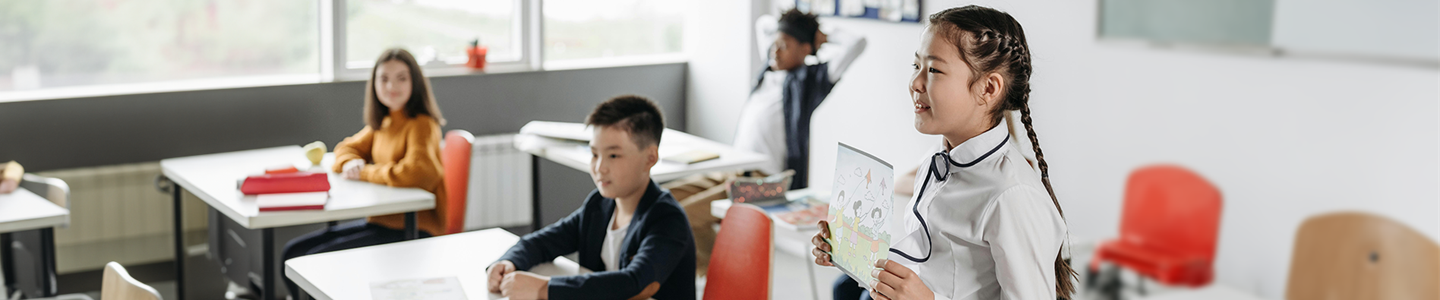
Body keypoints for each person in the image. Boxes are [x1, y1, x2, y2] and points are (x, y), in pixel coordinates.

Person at [811, 5, 1076, 300]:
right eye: (916, 66)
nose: (915, 83)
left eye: (934, 69)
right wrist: (848, 251)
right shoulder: (937, 160)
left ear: (989, 88)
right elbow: (930, 262)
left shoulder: (1011, 194)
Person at [487, 95, 696, 300]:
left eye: (613, 155)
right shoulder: (599, 205)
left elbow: (635, 283)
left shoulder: (667, 219)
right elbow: (543, 242)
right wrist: (509, 262)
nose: (599, 168)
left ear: (650, 157)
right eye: (594, 154)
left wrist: (545, 289)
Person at [281, 48, 450, 299]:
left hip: (414, 227)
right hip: (382, 222)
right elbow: (345, 149)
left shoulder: (422, 124)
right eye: (384, 79)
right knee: (292, 255)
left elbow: (419, 172)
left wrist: (365, 173)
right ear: (374, 84)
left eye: (401, 78)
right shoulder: (384, 122)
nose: (392, 86)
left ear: (415, 83)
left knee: (312, 262)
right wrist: (350, 162)